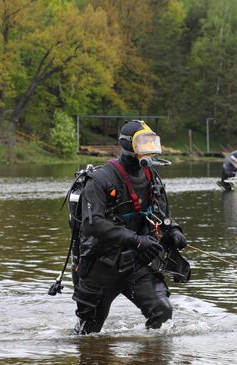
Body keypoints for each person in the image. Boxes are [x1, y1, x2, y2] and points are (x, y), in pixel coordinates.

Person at [72, 120, 188, 335]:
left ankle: (150, 356)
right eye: (144, 143)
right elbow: (93, 224)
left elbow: (160, 212)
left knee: (162, 313)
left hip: (137, 264)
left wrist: (173, 230)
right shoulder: (100, 180)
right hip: (100, 266)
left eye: (153, 143)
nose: (151, 150)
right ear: (128, 145)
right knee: (89, 333)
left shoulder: (151, 176)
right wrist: (136, 240)